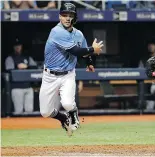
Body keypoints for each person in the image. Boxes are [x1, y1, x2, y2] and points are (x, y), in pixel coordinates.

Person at [39, 2, 103, 136]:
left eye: (70, 15)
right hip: (50, 76)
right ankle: (63, 118)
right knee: (45, 112)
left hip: (67, 74)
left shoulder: (78, 34)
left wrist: (89, 62)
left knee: (68, 103)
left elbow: (83, 51)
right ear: (59, 17)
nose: (67, 18)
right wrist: (93, 49)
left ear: (74, 17)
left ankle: (73, 114)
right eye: (64, 15)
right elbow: (76, 51)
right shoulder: (56, 31)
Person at [5, 39, 37, 114]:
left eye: (19, 46)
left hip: (28, 87)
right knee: (18, 111)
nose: (18, 47)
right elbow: (9, 70)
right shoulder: (10, 58)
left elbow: (35, 67)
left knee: (29, 111)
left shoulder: (27, 57)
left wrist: (27, 66)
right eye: (16, 46)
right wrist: (17, 66)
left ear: (21, 46)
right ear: (13, 47)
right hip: (17, 88)